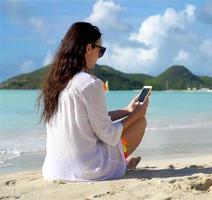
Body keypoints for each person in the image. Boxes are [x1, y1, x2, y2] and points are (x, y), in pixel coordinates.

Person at [38, 22, 148, 181]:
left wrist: (127, 110)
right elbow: (109, 135)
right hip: (87, 170)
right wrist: (136, 115)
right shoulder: (90, 83)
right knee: (140, 122)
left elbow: (85, 120)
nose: (100, 56)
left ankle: (122, 162)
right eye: (100, 50)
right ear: (89, 48)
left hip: (52, 171)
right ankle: (121, 163)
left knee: (131, 119)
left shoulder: (55, 83)